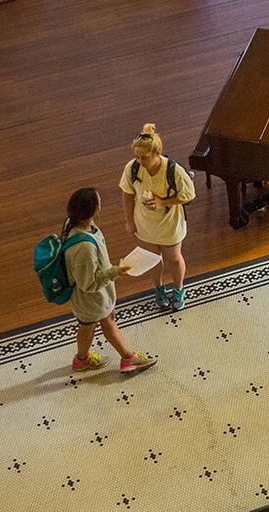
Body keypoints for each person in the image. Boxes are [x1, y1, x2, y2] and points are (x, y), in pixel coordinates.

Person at [61, 187, 156, 373]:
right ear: (93, 210)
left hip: (99, 296)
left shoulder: (74, 224)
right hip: (92, 298)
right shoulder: (84, 247)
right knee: (97, 324)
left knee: (99, 322)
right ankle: (128, 358)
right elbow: (89, 284)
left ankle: (82, 359)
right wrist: (115, 272)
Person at [120, 123, 196, 310]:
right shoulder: (133, 169)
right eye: (137, 157)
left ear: (157, 153)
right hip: (145, 224)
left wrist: (162, 202)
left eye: (144, 158)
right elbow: (128, 194)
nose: (139, 162)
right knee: (152, 258)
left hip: (169, 225)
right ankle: (159, 288)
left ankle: (178, 289)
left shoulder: (173, 171)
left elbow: (188, 195)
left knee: (174, 258)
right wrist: (129, 221)